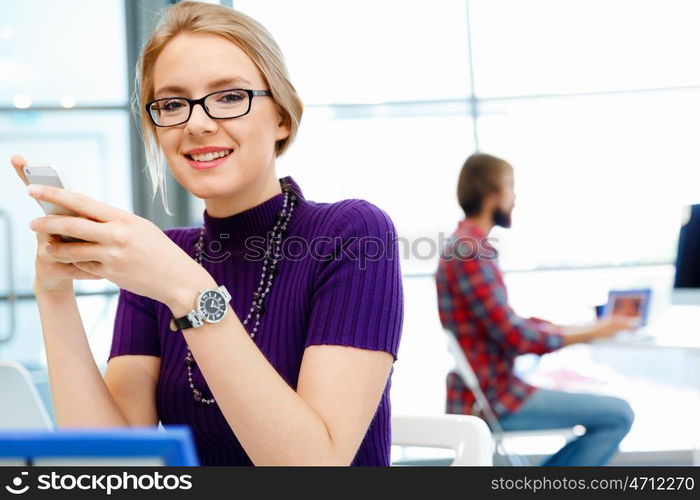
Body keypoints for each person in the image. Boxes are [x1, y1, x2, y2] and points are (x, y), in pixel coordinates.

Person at [11, 1, 403, 466]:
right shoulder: (165, 258)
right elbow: (109, 465)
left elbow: (314, 466)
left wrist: (188, 289)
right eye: (173, 104)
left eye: (230, 96)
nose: (196, 123)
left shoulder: (352, 235)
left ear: (282, 115)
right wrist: (54, 295)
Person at [436, 152, 636, 466]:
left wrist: (570, 329)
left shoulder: (468, 245)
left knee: (606, 410)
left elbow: (506, 323)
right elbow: (513, 337)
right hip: (495, 398)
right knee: (618, 415)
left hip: (490, 391)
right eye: (510, 187)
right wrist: (591, 332)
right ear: (492, 195)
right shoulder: (469, 251)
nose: (514, 198)